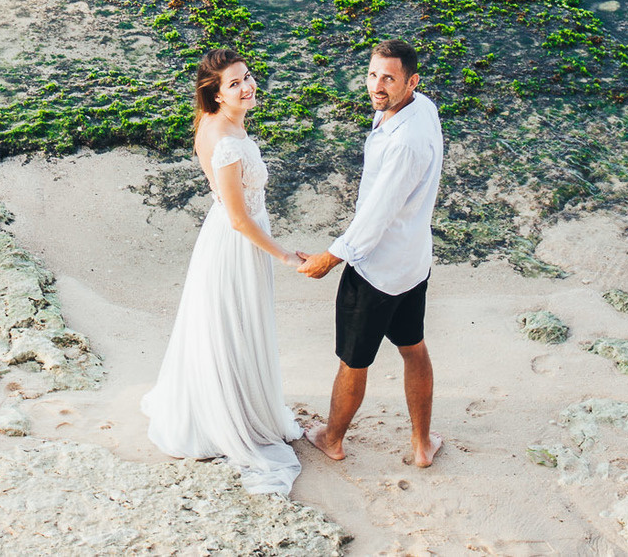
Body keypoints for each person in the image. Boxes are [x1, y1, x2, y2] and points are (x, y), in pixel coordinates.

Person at [142, 49, 307, 495]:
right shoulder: (227, 141)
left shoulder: (217, 123)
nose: (247, 86)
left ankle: (234, 402)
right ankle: (232, 415)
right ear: (216, 94)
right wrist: (285, 256)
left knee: (228, 326)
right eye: (234, 83)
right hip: (237, 245)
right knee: (234, 326)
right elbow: (238, 218)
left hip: (229, 239)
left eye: (247, 76)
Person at [299, 40, 446, 467]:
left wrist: (329, 259)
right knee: (413, 347)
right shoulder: (422, 108)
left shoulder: (404, 144)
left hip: (376, 271)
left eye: (388, 78)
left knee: (354, 361)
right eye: (372, 74)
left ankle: (332, 439)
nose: (377, 86)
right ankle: (421, 445)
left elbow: (376, 216)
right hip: (413, 262)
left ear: (411, 81)